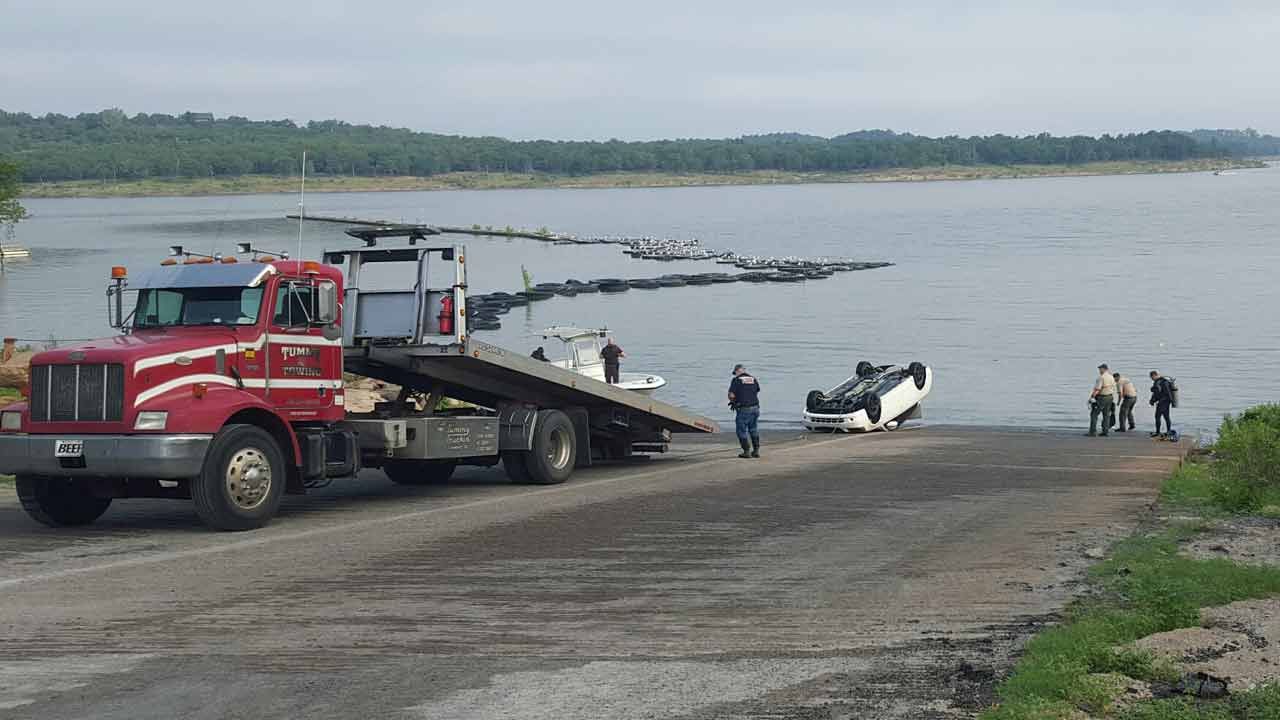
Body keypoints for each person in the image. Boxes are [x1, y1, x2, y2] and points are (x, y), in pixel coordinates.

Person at [728, 363, 761, 458]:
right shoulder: (753, 379)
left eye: (735, 373)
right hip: (755, 408)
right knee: (753, 428)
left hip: (744, 409)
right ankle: (756, 451)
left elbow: (731, 394)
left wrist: (733, 402)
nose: (735, 375)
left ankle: (746, 451)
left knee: (741, 430)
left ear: (738, 371)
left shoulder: (736, 380)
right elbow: (757, 390)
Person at [1088, 363, 1116, 437]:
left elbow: (1097, 389)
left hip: (1102, 397)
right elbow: (1113, 387)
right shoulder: (1111, 377)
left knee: (1094, 414)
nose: (1099, 370)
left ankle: (1092, 432)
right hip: (1110, 397)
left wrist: (1091, 397)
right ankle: (1105, 431)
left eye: (1100, 369)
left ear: (1104, 369)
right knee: (1106, 415)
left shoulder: (1101, 377)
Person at [1150, 370, 1174, 437]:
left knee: (1157, 416)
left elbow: (1156, 393)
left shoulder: (1158, 382)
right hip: (1167, 401)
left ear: (1154, 375)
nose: (1151, 379)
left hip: (1162, 402)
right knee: (1166, 417)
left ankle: (1158, 432)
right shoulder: (1165, 380)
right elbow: (1166, 392)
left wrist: (1152, 401)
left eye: (1151, 377)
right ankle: (1168, 431)